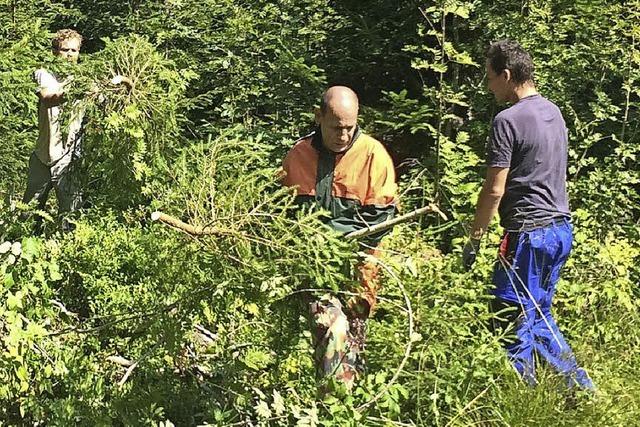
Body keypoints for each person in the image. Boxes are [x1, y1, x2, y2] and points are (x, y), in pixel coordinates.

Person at [463, 40, 594, 390]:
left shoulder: (507, 121)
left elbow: (494, 189)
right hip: (560, 231)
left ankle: (520, 395)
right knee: (539, 314)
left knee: (512, 318)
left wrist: (474, 239)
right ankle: (580, 389)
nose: (488, 86)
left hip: (528, 235)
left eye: (490, 77)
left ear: (506, 75)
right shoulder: (554, 111)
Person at [282, 86, 398, 392]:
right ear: (318, 117)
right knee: (331, 329)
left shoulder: (373, 156)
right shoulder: (298, 156)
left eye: (350, 127)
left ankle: (347, 406)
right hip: (313, 270)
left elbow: (383, 218)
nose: (343, 135)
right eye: (336, 128)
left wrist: (348, 247)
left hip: (359, 277)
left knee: (353, 349)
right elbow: (282, 213)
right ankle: (334, 407)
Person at [23, 29, 130, 232]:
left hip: (68, 157)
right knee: (28, 215)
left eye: (74, 50)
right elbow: (48, 98)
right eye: (65, 50)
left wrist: (120, 87)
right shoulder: (43, 74)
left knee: (70, 217)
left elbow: (107, 106)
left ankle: (66, 255)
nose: (70, 54)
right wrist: (78, 90)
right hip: (42, 156)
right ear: (55, 51)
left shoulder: (85, 80)